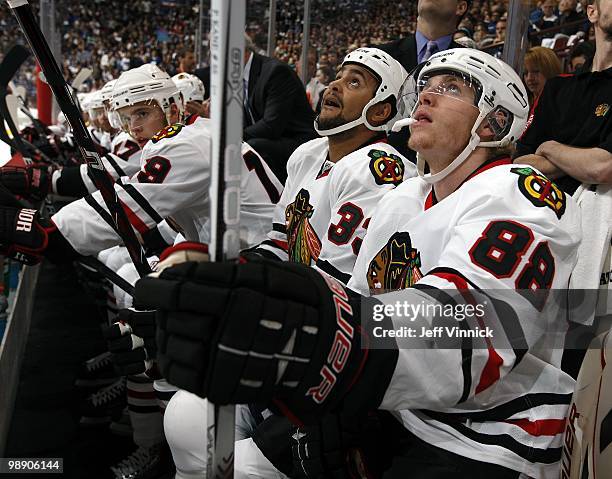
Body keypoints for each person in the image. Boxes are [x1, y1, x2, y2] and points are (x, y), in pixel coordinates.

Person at [135, 48, 582, 478]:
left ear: (495, 122)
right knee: (203, 432)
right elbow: (359, 301)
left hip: (485, 428)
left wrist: (321, 340)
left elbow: (472, 330)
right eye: (426, 84)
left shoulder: (521, 192)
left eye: (452, 88)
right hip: (396, 403)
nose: (425, 94)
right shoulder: (405, 198)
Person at [0, 62, 282, 478]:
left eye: (142, 113)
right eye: (127, 116)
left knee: (150, 318)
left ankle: (158, 442)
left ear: (171, 106)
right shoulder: (191, 137)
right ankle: (153, 421)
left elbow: (116, 209)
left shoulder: (186, 147)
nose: (133, 127)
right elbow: (135, 195)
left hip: (257, 273)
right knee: (141, 312)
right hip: (236, 259)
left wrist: (41, 230)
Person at [160, 47, 415, 479]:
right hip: (293, 325)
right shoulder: (307, 155)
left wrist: (253, 311)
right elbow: (280, 241)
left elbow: (338, 286)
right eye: (338, 74)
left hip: (332, 350)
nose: (334, 85)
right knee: (186, 418)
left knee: (227, 459)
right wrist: (233, 280)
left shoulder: (379, 169)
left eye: (355, 82)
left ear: (382, 109)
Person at [514, 0, 612, 194]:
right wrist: (583, 159)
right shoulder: (556, 88)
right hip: (540, 212)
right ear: (592, 12)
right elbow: (520, 162)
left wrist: (549, 148)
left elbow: (604, 167)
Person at [242, 36, 317, 183]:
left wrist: (233, 138)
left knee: (252, 147)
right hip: (274, 139)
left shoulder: (275, 71)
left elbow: (271, 125)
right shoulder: (237, 77)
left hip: (299, 142)